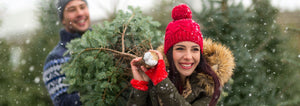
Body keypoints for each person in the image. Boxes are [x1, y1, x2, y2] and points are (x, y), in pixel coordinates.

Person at [127, 4, 235, 106]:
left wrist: (162, 81)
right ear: (169, 53)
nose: (188, 56)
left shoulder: (208, 85)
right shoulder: (154, 74)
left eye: (195, 49)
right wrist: (140, 86)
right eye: (180, 49)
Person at [43, 0, 90, 105]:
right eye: (72, 10)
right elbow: (64, 102)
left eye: (82, 7)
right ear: (63, 19)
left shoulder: (107, 45)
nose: (80, 13)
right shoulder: (55, 59)